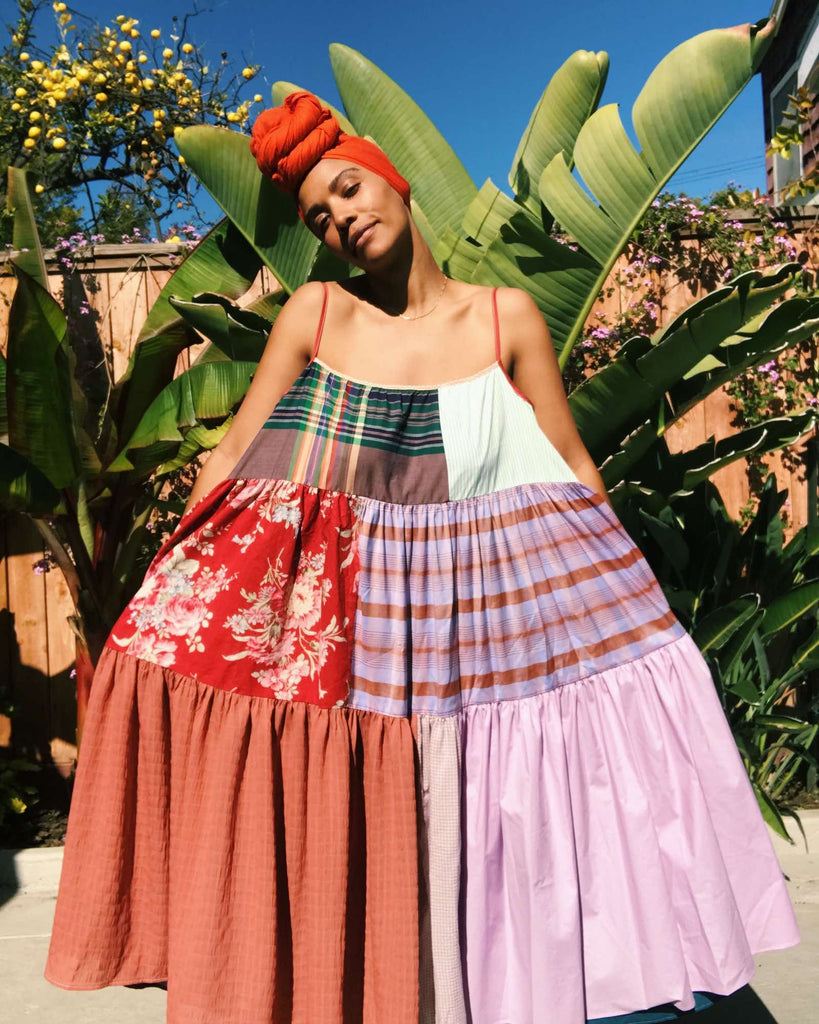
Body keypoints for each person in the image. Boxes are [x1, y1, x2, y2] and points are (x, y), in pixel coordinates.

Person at [44, 90, 800, 1024]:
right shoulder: (318, 314)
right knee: (364, 803)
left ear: (393, 180)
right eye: (321, 215)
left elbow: (567, 462)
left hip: (494, 609)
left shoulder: (504, 318)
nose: (342, 217)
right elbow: (235, 454)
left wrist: (628, 595)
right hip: (354, 622)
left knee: (510, 799)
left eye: (350, 189)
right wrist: (170, 580)